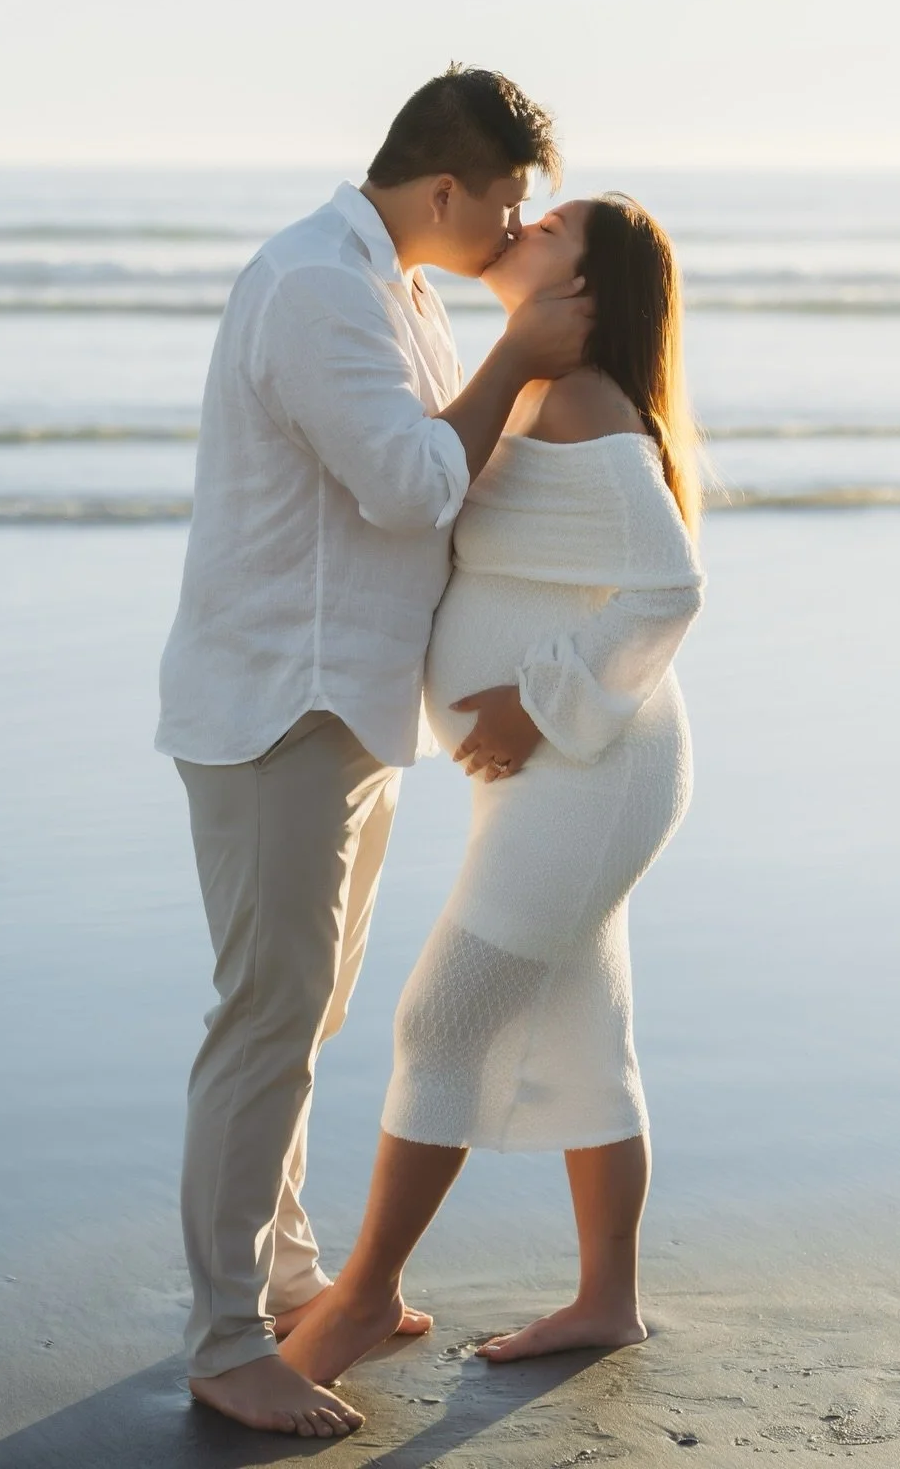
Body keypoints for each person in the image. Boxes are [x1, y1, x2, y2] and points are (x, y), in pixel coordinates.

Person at [154, 66, 593, 1438]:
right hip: (279, 706)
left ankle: (284, 1274)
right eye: (509, 201)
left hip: (344, 705)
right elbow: (410, 486)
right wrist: (521, 357)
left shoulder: (393, 290)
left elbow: (438, 482)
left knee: (308, 1016)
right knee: (266, 1021)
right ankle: (227, 1339)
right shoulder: (317, 289)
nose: (516, 227)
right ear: (448, 186)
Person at [280, 194, 704, 1389]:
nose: (526, 225)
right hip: (570, 771)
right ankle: (607, 1302)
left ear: (589, 286)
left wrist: (539, 698)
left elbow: (672, 587)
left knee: (441, 1019)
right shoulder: (529, 387)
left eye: (554, 225)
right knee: (582, 1028)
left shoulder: (584, 402)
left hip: (595, 765)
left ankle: (363, 1297)